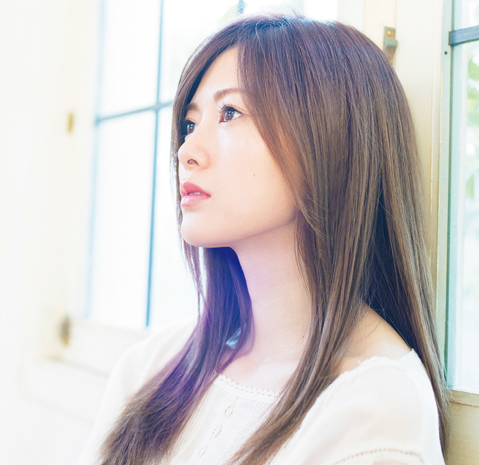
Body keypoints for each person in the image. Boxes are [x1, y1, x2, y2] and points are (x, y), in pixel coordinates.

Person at [79, 13, 449, 465]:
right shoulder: (155, 364)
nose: (186, 151)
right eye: (190, 124)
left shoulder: (374, 412)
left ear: (330, 139)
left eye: (230, 113)